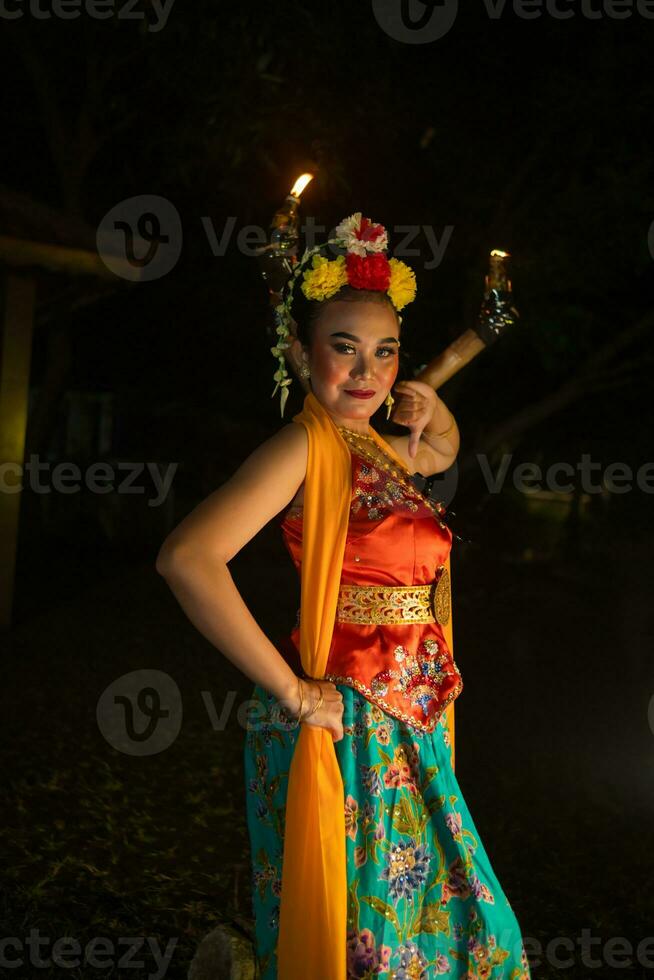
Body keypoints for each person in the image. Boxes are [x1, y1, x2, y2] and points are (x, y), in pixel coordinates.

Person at [156, 213, 531, 979]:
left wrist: (431, 402)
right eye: (344, 349)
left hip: (413, 717)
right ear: (299, 352)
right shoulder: (304, 445)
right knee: (376, 944)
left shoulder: (371, 448)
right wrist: (293, 691)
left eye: (385, 353)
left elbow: (441, 450)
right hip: (347, 722)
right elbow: (188, 559)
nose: (367, 373)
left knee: (451, 933)